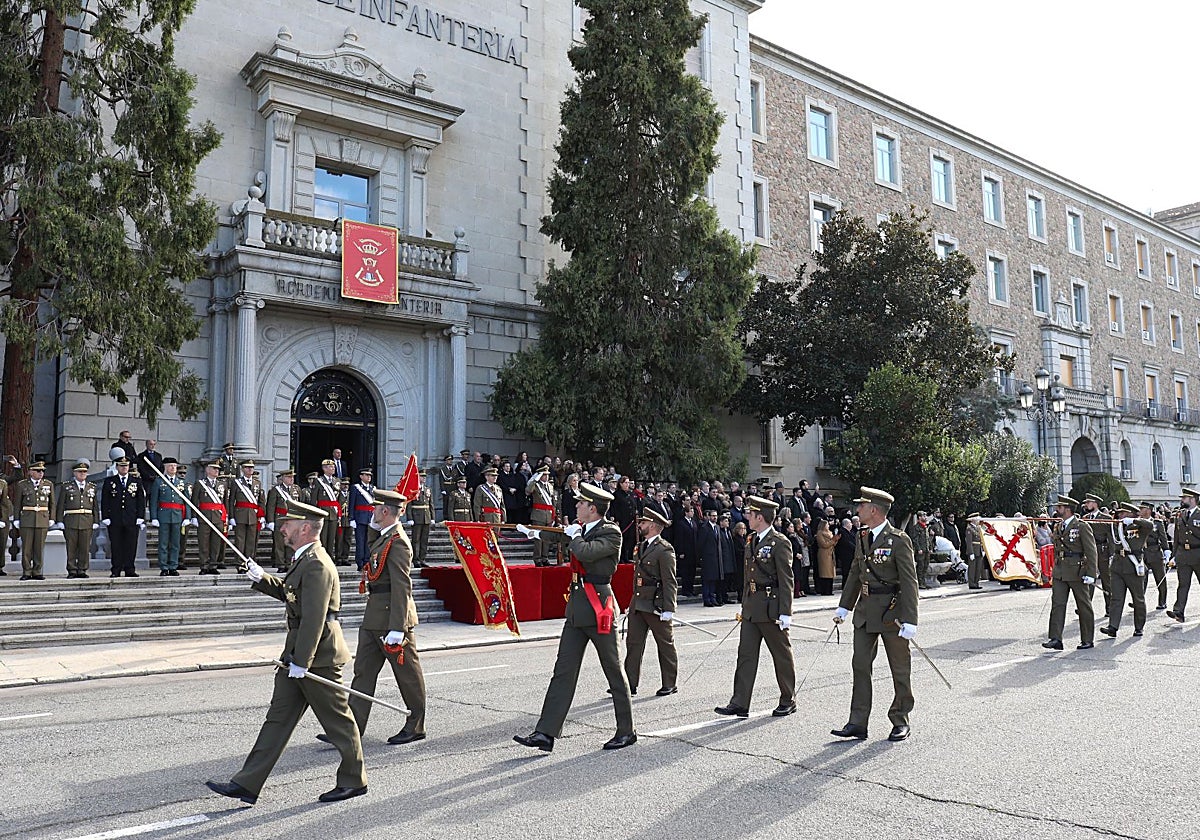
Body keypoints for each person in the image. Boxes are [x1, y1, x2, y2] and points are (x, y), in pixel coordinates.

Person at [206, 498, 367, 805]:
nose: (282, 528)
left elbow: (315, 617)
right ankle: (247, 783)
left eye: (288, 524)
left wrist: (303, 661)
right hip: (297, 654)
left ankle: (354, 780)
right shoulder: (304, 559)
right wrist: (261, 578)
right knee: (277, 721)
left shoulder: (318, 563)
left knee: (339, 723)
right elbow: (291, 594)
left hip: (317, 657)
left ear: (305, 528)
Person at [513, 483, 636, 752]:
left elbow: (586, 552)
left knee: (614, 671)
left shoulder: (611, 532)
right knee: (563, 672)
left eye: (581, 504)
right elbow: (560, 538)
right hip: (578, 608)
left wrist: (576, 535)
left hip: (599, 606)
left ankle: (627, 731)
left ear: (593, 508)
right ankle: (545, 732)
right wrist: (533, 532)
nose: (576, 506)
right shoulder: (583, 530)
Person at [317, 488, 427, 747]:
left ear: (386, 512)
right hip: (374, 616)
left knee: (407, 675)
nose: (372, 513)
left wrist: (398, 628)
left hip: (392, 618)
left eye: (376, 509)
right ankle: (351, 728)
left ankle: (416, 725)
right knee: (363, 673)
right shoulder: (383, 537)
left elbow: (402, 586)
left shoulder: (398, 541)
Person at [831, 486, 918, 742]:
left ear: (873, 510)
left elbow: (909, 582)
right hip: (866, 612)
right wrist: (844, 606)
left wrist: (910, 620)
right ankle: (858, 722)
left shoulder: (898, 540)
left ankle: (900, 719)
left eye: (861, 506)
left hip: (892, 613)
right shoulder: (862, 536)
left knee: (899, 669)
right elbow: (856, 574)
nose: (857, 510)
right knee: (860, 665)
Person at [715, 495, 796, 719]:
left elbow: (786, 579)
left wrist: (785, 612)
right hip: (752, 607)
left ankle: (788, 699)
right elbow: (748, 577)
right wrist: (745, 605)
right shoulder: (752, 539)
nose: (747, 517)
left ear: (760, 517)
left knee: (781, 655)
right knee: (746, 656)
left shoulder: (780, 542)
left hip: (771, 608)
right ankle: (740, 702)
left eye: (751, 514)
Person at [622, 509, 679, 696]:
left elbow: (669, 581)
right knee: (633, 644)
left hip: (656, 604)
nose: (640, 525)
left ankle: (669, 683)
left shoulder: (664, 550)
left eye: (643, 523)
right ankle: (629, 683)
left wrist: (669, 608)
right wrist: (632, 601)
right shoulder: (640, 547)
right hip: (639, 603)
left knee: (665, 644)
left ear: (653, 525)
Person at [1043, 495, 1098, 650]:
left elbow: (1091, 551)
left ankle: (1087, 639)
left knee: (1083, 605)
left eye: (1059, 507)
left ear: (1067, 509)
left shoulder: (1081, 526)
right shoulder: (1058, 526)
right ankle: (1055, 638)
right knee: (1058, 604)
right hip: (1060, 570)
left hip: (1077, 570)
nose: (1056, 509)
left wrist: (1091, 573)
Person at [1101, 503, 1150, 639]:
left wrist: (1133, 521)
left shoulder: (1139, 526)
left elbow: (1149, 525)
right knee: (1116, 598)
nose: (1120, 515)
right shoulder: (1117, 526)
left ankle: (1139, 627)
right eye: (1120, 513)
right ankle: (1113, 626)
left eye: (1124, 513)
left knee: (1138, 598)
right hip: (1117, 565)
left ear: (1132, 514)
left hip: (1132, 564)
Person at [100, 458, 144, 578]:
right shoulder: (110, 481)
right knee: (116, 545)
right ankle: (116, 569)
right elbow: (105, 500)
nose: (124, 468)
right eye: (121, 466)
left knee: (131, 545)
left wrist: (140, 516)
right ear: (117, 467)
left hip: (131, 518)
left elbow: (141, 500)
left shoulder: (136, 481)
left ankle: (130, 568)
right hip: (115, 518)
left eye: (126, 466)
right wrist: (106, 516)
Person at [55, 461, 99, 578]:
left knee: (84, 547)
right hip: (71, 520)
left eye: (84, 472)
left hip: (87, 520)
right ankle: (72, 569)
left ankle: (82, 569)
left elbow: (95, 506)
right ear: (75, 473)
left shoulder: (92, 487)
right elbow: (61, 505)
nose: (82, 474)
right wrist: (59, 520)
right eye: (80, 472)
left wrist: (96, 521)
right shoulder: (66, 486)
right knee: (72, 547)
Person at [15, 461, 57, 580]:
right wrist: (17, 519)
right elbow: (17, 503)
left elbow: (52, 503)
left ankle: (37, 571)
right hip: (27, 519)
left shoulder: (48, 484)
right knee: (27, 547)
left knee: (39, 547)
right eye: (38, 471)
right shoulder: (22, 485)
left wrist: (52, 518)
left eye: (42, 471)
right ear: (30, 472)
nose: (41, 473)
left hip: (42, 519)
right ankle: (27, 571)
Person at [149, 457, 188, 576]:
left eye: (175, 466)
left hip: (177, 515)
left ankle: (173, 566)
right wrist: (154, 517)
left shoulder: (181, 482)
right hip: (164, 515)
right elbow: (154, 500)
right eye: (171, 466)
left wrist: (187, 517)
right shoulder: (159, 482)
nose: (173, 468)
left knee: (176, 543)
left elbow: (187, 501)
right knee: (164, 543)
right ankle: (164, 566)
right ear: (165, 467)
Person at [193, 461, 230, 575]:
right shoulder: (200, 484)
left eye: (217, 469)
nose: (216, 471)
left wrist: (227, 517)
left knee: (216, 543)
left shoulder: (222, 484)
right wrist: (194, 517)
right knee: (203, 543)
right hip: (204, 517)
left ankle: (213, 564)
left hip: (218, 517)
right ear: (207, 470)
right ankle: (204, 565)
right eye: (214, 468)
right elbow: (194, 501)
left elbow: (225, 502)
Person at [1168, 487, 1200, 623]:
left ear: (1192, 499)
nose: (1181, 500)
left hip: (1198, 554)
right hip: (1183, 555)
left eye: (1184, 498)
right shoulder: (1180, 515)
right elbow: (1176, 538)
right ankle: (1178, 611)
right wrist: (1174, 555)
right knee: (1183, 584)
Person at [230, 460, 266, 572]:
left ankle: (250, 563)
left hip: (253, 516)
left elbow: (261, 501)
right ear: (242, 469)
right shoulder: (237, 483)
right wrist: (231, 517)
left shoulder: (257, 483)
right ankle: (240, 563)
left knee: (251, 541)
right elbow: (231, 501)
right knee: (240, 541)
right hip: (240, 514)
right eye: (247, 467)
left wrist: (262, 515)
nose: (250, 469)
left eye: (252, 467)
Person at [1082, 493, 1114, 614]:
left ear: (1095, 503)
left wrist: (1111, 554)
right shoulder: (1085, 518)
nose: (1086, 505)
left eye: (1088, 502)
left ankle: (1110, 607)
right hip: (1089, 552)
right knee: (1089, 579)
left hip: (1102, 551)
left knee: (1106, 580)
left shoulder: (1106, 518)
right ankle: (1086, 607)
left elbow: (1111, 537)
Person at [265, 469, 301, 572]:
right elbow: (271, 506)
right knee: (280, 543)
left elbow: (301, 504)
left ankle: (289, 563)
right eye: (289, 477)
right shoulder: (276, 490)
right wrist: (271, 521)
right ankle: (280, 564)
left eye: (292, 477)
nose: (292, 479)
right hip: (280, 519)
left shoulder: (296, 489)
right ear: (283, 478)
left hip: (293, 519)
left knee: (291, 542)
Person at [526, 466, 558, 566]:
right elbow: (528, 490)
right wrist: (535, 479)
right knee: (538, 538)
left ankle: (545, 557)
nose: (546, 477)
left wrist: (555, 514)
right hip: (538, 514)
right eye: (544, 475)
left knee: (547, 538)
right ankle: (538, 559)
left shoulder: (550, 486)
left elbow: (553, 501)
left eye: (547, 475)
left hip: (549, 514)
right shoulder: (535, 485)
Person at [1140, 501, 1169, 610]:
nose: (1140, 511)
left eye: (1142, 509)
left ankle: (1162, 602)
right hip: (1143, 553)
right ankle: (1139, 602)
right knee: (1141, 579)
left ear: (1148, 510)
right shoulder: (1138, 522)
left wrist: (1166, 550)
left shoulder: (1157, 523)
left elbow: (1163, 537)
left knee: (1160, 578)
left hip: (1155, 552)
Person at [311, 459, 342, 559]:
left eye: (333, 466)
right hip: (322, 512)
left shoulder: (337, 481)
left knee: (331, 538)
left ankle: (330, 557)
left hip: (333, 513)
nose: (333, 468)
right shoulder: (318, 481)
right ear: (324, 468)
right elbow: (313, 498)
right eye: (330, 467)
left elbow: (339, 499)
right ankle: (321, 557)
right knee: (322, 538)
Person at [349, 468, 377, 570]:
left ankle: (367, 561)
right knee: (360, 541)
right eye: (366, 475)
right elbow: (351, 504)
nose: (369, 477)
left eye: (370, 475)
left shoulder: (373, 488)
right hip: (360, 518)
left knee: (368, 541)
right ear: (361, 476)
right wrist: (351, 518)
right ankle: (360, 562)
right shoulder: (356, 488)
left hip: (370, 518)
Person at [697, 508, 723, 607]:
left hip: (716, 558)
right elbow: (700, 543)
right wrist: (701, 557)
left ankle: (713, 598)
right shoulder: (704, 528)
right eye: (712, 516)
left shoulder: (717, 527)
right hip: (707, 558)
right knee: (707, 579)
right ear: (708, 517)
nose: (714, 517)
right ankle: (707, 599)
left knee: (713, 579)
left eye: (716, 516)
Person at [407, 471, 433, 568]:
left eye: (425, 477)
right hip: (417, 517)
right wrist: (410, 518)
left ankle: (422, 559)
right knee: (416, 540)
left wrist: (432, 517)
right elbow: (409, 504)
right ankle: (416, 559)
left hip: (426, 517)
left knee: (424, 540)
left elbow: (431, 505)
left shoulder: (427, 489)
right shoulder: (413, 490)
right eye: (422, 476)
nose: (424, 478)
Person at [906, 510, 932, 589]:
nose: (925, 517)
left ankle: (923, 582)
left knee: (925, 566)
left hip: (926, 549)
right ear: (919, 517)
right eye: (923, 516)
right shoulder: (916, 528)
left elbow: (927, 539)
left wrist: (930, 548)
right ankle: (920, 583)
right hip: (921, 550)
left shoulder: (925, 527)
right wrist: (918, 548)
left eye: (925, 516)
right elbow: (915, 539)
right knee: (920, 566)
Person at [814, 515, 838, 595]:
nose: (828, 525)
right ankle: (824, 590)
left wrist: (836, 540)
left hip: (831, 553)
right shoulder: (820, 533)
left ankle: (830, 590)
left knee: (830, 573)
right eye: (827, 524)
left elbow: (833, 543)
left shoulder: (830, 533)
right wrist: (833, 541)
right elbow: (823, 544)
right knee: (825, 572)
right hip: (824, 554)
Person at [965, 513, 985, 589]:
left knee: (978, 568)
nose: (978, 520)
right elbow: (969, 542)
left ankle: (976, 582)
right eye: (976, 518)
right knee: (972, 568)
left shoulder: (977, 528)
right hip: (973, 550)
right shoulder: (969, 529)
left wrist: (982, 549)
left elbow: (981, 540)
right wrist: (971, 552)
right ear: (972, 520)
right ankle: (971, 583)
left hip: (979, 550)